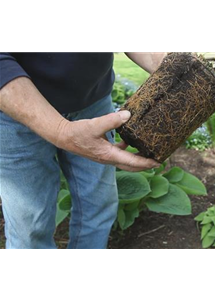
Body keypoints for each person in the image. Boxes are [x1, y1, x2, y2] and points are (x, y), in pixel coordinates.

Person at [0, 52, 167, 249]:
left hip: (93, 103)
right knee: (31, 230)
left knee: (99, 206)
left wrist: (171, 64)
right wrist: (61, 131)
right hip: (17, 112)